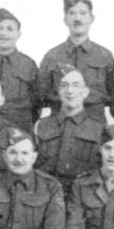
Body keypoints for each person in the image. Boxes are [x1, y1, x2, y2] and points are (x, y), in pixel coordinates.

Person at [37, 0, 114, 119]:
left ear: (92, 18)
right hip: (60, 125)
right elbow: (41, 96)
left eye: (83, 13)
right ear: (65, 19)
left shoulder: (104, 56)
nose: (77, 18)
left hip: (95, 127)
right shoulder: (52, 56)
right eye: (72, 13)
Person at [34, 63, 105, 193]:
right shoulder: (42, 126)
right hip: (46, 196)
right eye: (64, 86)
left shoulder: (98, 128)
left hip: (82, 197)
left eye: (75, 85)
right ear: (59, 91)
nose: (69, 91)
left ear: (85, 92)